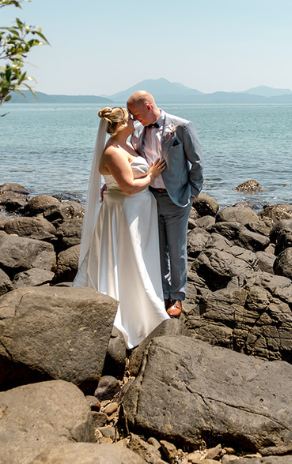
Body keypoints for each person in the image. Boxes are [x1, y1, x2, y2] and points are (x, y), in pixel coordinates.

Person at [73, 106, 169, 348]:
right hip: (125, 213)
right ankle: (134, 312)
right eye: (130, 119)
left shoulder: (128, 144)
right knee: (129, 258)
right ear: (119, 126)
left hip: (136, 211)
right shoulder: (114, 151)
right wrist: (151, 174)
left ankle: (146, 299)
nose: (134, 120)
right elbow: (128, 186)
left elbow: (119, 179)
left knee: (139, 257)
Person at [126, 90, 204, 318]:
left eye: (136, 113)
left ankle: (177, 297)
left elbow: (197, 161)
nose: (134, 118)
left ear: (149, 107)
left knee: (177, 249)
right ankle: (161, 292)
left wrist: (193, 193)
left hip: (177, 198)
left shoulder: (181, 127)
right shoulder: (138, 131)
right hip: (149, 197)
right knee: (157, 249)